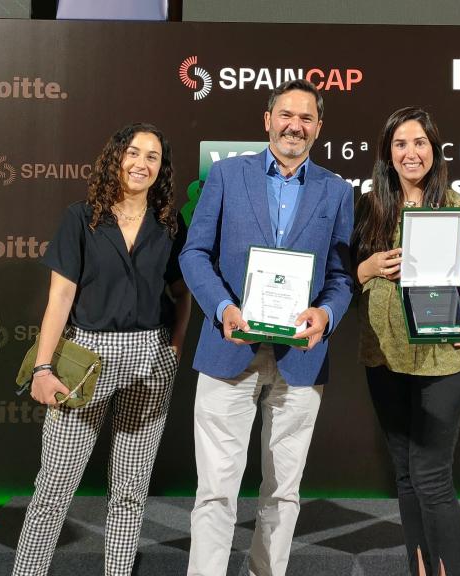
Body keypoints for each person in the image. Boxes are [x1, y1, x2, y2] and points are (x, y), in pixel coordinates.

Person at [179, 78, 354, 576]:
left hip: (300, 359)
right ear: (267, 120)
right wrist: (221, 308)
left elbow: (341, 276)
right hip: (228, 347)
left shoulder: (336, 190)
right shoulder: (227, 176)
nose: (293, 125)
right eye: (285, 114)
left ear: (318, 128)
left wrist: (326, 314)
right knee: (215, 491)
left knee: (284, 491)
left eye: (305, 118)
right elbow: (194, 254)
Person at [13, 122, 192, 576]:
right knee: (54, 489)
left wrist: (173, 347)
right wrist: (42, 368)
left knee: (130, 492)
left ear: (161, 168)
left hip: (151, 358)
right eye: (134, 153)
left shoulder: (169, 222)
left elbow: (182, 292)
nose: (142, 163)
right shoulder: (81, 217)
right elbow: (60, 298)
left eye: (153, 157)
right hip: (85, 360)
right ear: (116, 157)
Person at [351, 107, 460, 576]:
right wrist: (368, 268)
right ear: (387, 154)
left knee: (432, 478)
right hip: (384, 360)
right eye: (400, 144)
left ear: (434, 149)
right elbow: (342, 280)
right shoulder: (369, 206)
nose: (410, 152)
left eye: (419, 142)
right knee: (406, 477)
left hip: (443, 361)